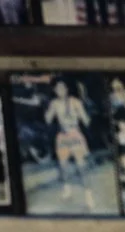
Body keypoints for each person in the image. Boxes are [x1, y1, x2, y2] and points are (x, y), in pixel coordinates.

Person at [45, 77, 96, 210]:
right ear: (55, 90)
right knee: (63, 167)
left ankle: (89, 197)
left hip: (75, 135)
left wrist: (84, 113)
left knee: (81, 167)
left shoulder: (75, 102)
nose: (60, 90)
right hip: (62, 137)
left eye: (62, 88)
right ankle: (67, 189)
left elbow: (86, 120)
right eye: (57, 88)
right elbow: (48, 120)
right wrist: (47, 111)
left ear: (67, 89)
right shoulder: (54, 103)